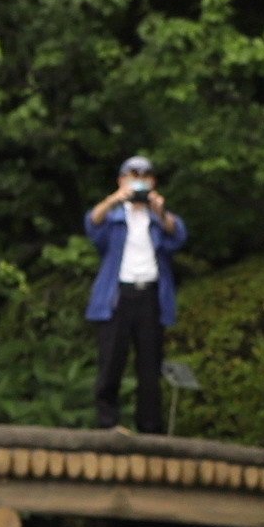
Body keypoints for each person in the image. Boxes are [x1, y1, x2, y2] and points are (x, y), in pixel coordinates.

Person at [83, 155, 187, 432]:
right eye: (132, 175)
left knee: (150, 366)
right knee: (111, 362)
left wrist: (160, 211)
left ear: (153, 182)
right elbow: (92, 225)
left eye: (144, 176)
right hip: (117, 296)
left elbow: (178, 238)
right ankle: (107, 422)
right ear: (121, 180)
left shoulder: (158, 218)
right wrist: (115, 199)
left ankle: (150, 428)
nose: (138, 180)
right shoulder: (114, 217)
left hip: (150, 296)